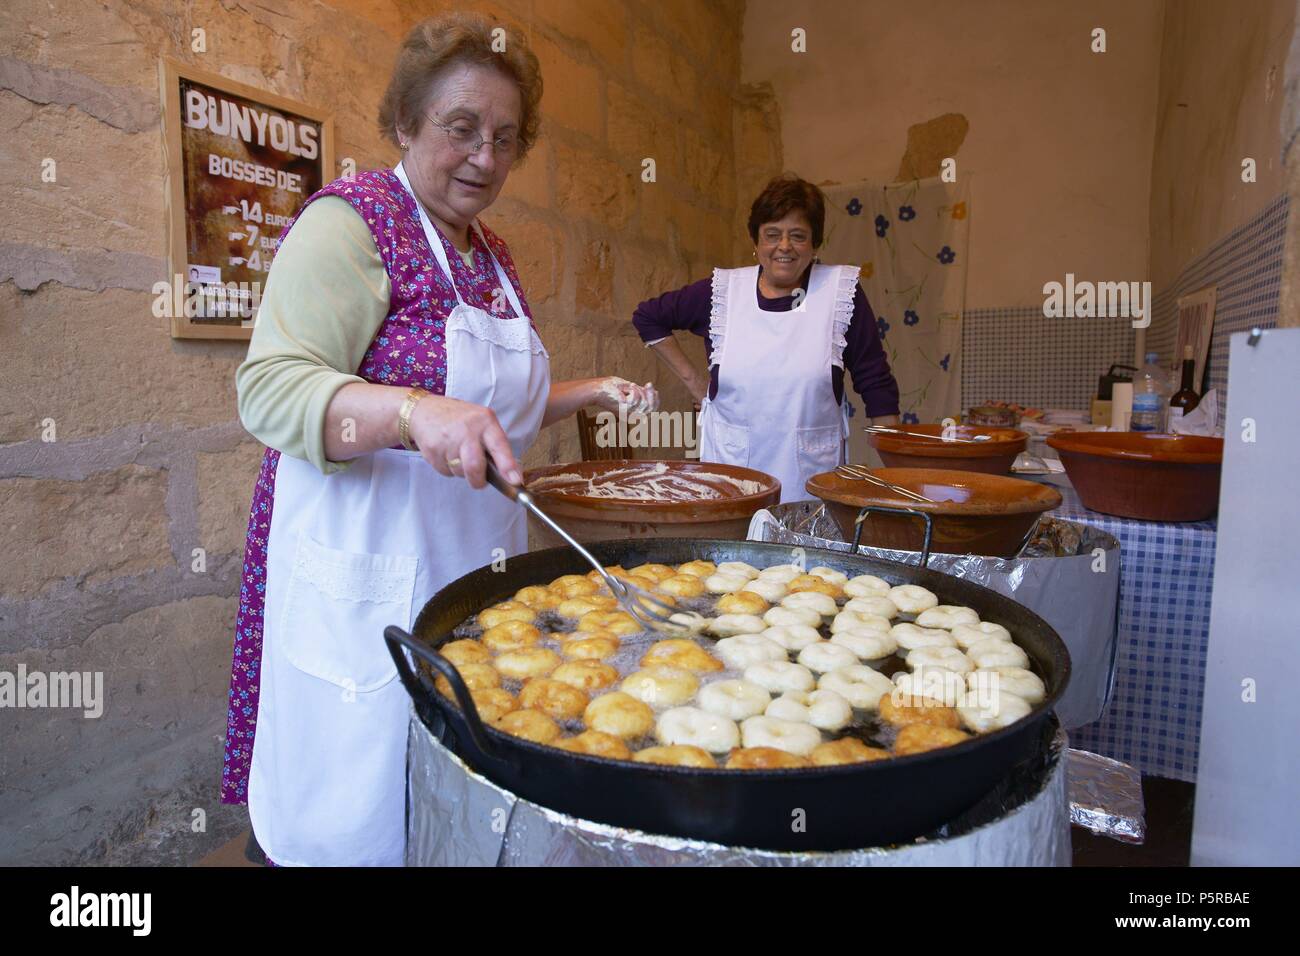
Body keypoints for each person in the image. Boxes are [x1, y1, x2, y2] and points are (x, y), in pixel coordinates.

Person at [219, 12, 655, 867]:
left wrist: (591, 391)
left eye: (504, 137)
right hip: (367, 577)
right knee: (365, 812)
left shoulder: (493, 255)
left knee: (456, 813)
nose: (485, 158)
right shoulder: (351, 221)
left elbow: (494, 412)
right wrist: (412, 414)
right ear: (407, 122)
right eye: (461, 130)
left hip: (471, 582)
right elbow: (270, 391)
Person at [632, 175, 899, 503]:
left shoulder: (840, 293)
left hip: (811, 484)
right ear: (755, 242)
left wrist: (895, 479)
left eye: (798, 236)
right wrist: (696, 384)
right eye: (772, 235)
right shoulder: (722, 293)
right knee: (734, 554)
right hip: (731, 478)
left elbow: (876, 384)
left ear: (815, 244)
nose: (784, 247)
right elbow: (648, 317)